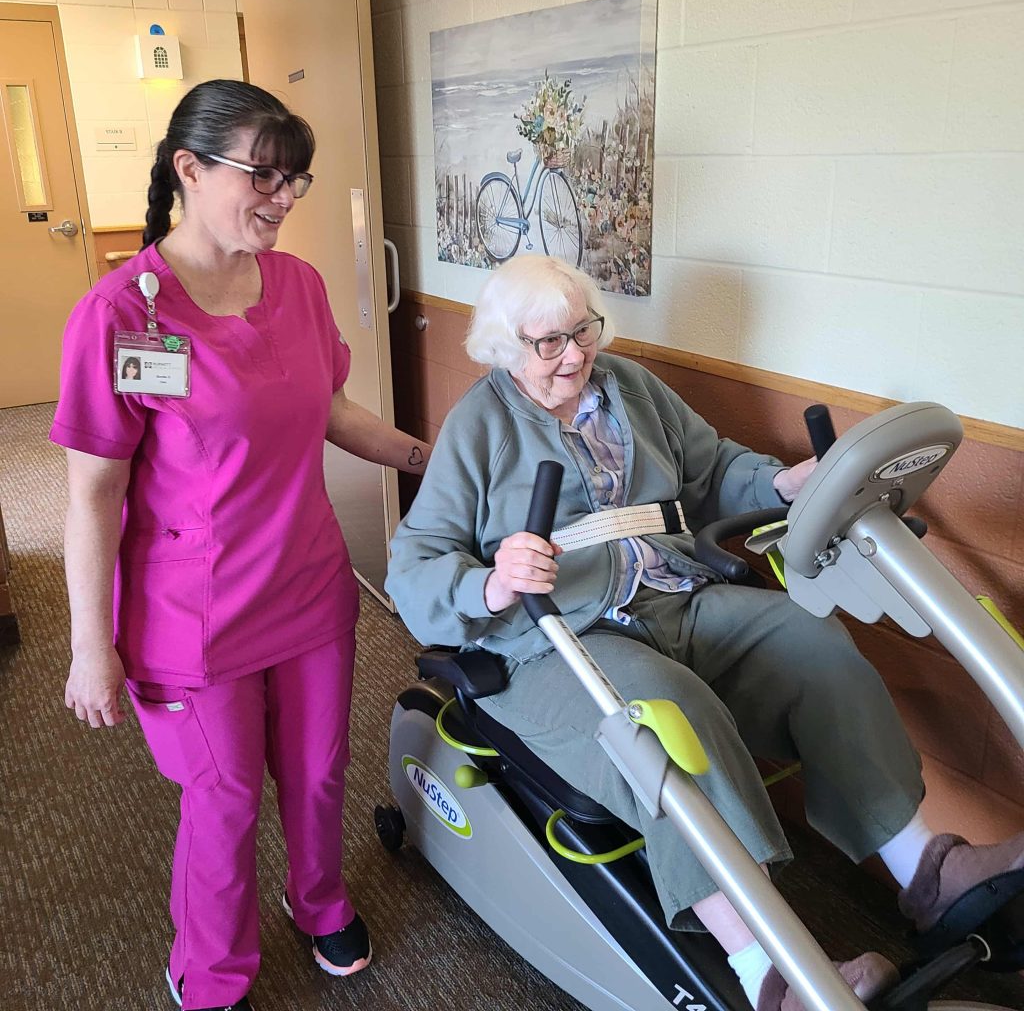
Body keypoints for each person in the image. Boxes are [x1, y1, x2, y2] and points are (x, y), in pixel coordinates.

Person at [385, 254, 1024, 1011]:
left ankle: (927, 870)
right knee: (666, 715)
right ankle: (765, 970)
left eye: (582, 331)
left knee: (813, 646)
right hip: (552, 636)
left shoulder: (629, 390)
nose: (574, 355)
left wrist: (786, 484)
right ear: (504, 347)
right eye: (547, 343)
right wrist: (490, 582)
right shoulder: (481, 424)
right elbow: (414, 562)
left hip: (672, 594)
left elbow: (711, 465)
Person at [53, 80, 432, 1011]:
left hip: (308, 590)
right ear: (190, 168)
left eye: (295, 180)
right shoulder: (122, 316)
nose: (285, 197)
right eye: (264, 175)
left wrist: (428, 458)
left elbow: (333, 410)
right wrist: (88, 648)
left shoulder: (297, 284)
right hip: (194, 619)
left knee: (315, 772)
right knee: (220, 806)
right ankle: (211, 969)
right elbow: (93, 495)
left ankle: (320, 900)